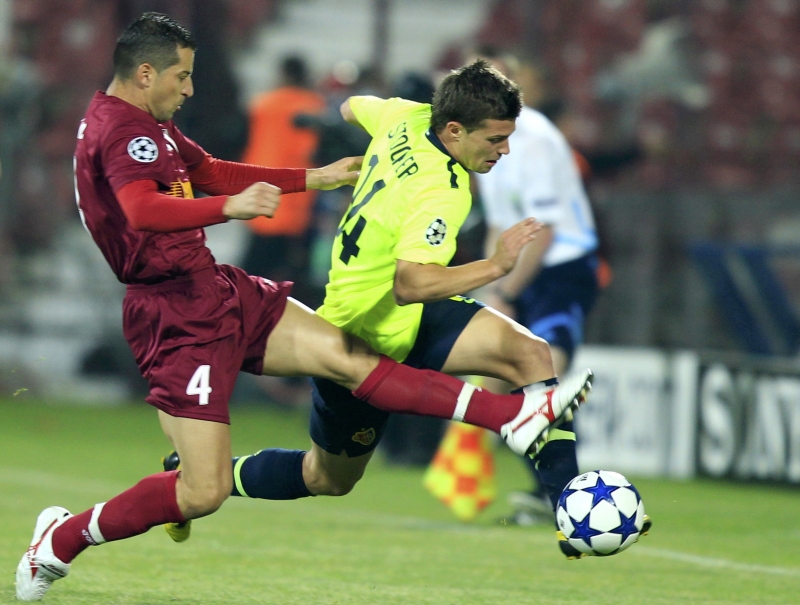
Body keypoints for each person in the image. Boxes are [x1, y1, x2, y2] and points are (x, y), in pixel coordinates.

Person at [16, 15, 589, 601]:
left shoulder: (150, 123)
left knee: (351, 361)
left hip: (219, 288)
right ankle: (61, 539)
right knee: (201, 493)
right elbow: (141, 209)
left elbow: (209, 170)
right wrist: (229, 209)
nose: (189, 89)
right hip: (172, 316)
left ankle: (511, 420)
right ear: (144, 73)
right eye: (182, 77)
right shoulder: (121, 132)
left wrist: (311, 178)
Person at [163, 60, 593, 555]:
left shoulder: (408, 116)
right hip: (359, 332)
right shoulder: (442, 191)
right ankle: (190, 476)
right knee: (326, 477)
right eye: (495, 139)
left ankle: (570, 513)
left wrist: (366, 155)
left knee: (529, 354)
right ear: (454, 129)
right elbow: (412, 283)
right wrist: (496, 267)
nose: (505, 150)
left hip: (411, 316)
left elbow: (351, 106)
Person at [473, 52, 600, 529]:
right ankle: (550, 491)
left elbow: (542, 231)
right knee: (515, 383)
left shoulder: (537, 140)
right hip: (521, 272)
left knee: (544, 380)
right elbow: (502, 226)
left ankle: (564, 497)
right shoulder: (486, 141)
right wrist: (491, 284)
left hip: (561, 271)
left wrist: (506, 292)